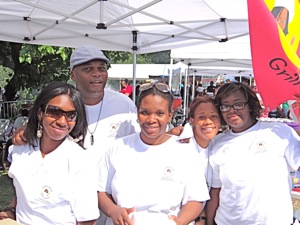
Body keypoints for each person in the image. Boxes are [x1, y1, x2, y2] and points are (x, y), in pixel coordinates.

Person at [97, 82, 210, 225]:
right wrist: (113, 210)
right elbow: (101, 190)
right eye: (145, 112)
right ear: (137, 114)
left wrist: (180, 222)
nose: (151, 120)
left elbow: (196, 199)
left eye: (160, 113)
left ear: (170, 116)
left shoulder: (185, 151)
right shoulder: (118, 147)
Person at [0, 81, 99, 225]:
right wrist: (10, 210)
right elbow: (24, 191)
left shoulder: (80, 161)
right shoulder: (18, 150)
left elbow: (87, 219)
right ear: (40, 113)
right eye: (54, 112)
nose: (62, 121)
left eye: (71, 115)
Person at [206, 82, 300, 225]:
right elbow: (215, 192)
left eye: (238, 104)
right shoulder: (216, 144)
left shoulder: (279, 131)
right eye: (225, 106)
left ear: (250, 105)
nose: (232, 110)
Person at [180, 96, 222, 225]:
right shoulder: (180, 145)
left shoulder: (216, 147)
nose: (208, 122)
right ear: (192, 120)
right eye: (202, 117)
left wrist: (202, 218)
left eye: (214, 116)